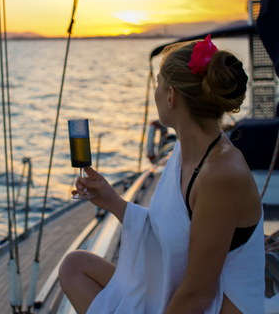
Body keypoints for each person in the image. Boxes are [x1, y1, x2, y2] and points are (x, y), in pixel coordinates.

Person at [58, 35, 265, 313]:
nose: (155, 92)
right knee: (74, 267)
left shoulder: (221, 173)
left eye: (158, 83)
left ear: (171, 96)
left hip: (213, 306)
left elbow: (198, 295)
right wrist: (111, 201)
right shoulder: (184, 151)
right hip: (178, 293)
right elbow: (171, 230)